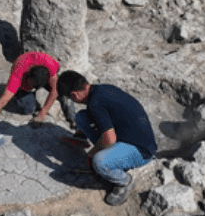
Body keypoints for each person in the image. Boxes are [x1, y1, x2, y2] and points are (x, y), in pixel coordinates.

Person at [57, 70, 157, 206]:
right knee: (81, 117)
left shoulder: (95, 103)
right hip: (131, 137)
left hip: (141, 151)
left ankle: (125, 182)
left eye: (70, 98)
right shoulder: (100, 90)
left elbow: (109, 138)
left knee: (98, 162)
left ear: (74, 94)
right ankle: (94, 144)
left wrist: (91, 154)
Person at [0, 51, 76, 129]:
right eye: (32, 85)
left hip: (42, 75)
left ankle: (74, 121)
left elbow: (55, 90)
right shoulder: (18, 72)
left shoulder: (49, 64)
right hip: (23, 83)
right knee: (28, 108)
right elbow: (3, 99)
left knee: (65, 91)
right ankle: (24, 94)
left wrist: (42, 114)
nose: (34, 87)